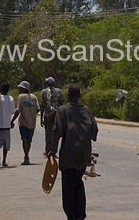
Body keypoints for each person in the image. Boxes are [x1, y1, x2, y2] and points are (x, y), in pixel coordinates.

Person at [49, 84, 98, 220]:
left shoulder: (62, 110)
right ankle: (80, 215)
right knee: (78, 180)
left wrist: (52, 152)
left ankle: (71, 215)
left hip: (68, 154)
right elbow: (94, 133)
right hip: (83, 154)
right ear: (80, 96)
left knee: (68, 185)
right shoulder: (87, 111)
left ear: (68, 96)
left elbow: (57, 132)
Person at [10, 81, 40, 165]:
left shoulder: (21, 97)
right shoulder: (34, 97)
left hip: (23, 122)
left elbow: (18, 110)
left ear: (23, 88)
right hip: (32, 122)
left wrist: (12, 121)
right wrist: (32, 114)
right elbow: (38, 109)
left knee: (24, 140)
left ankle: (26, 156)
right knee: (29, 140)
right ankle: (27, 156)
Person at [40, 77, 64, 156]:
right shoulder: (59, 91)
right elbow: (62, 103)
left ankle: (48, 150)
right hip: (57, 114)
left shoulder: (44, 92)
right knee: (55, 133)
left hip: (47, 115)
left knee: (48, 133)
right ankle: (54, 151)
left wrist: (41, 118)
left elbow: (42, 105)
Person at [0, 83, 14, 168]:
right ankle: (4, 160)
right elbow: (13, 111)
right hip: (7, 125)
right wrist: (11, 121)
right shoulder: (11, 99)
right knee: (6, 145)